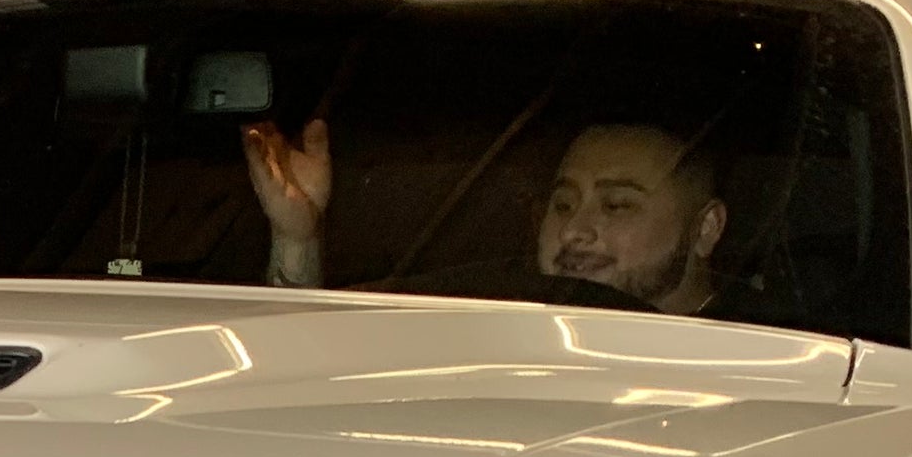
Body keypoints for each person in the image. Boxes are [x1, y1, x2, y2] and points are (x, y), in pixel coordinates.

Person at [240, 115, 733, 315]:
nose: (576, 230)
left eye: (617, 205)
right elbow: (309, 350)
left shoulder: (779, 354)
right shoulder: (489, 310)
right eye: (563, 203)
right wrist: (297, 242)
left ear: (706, 228)